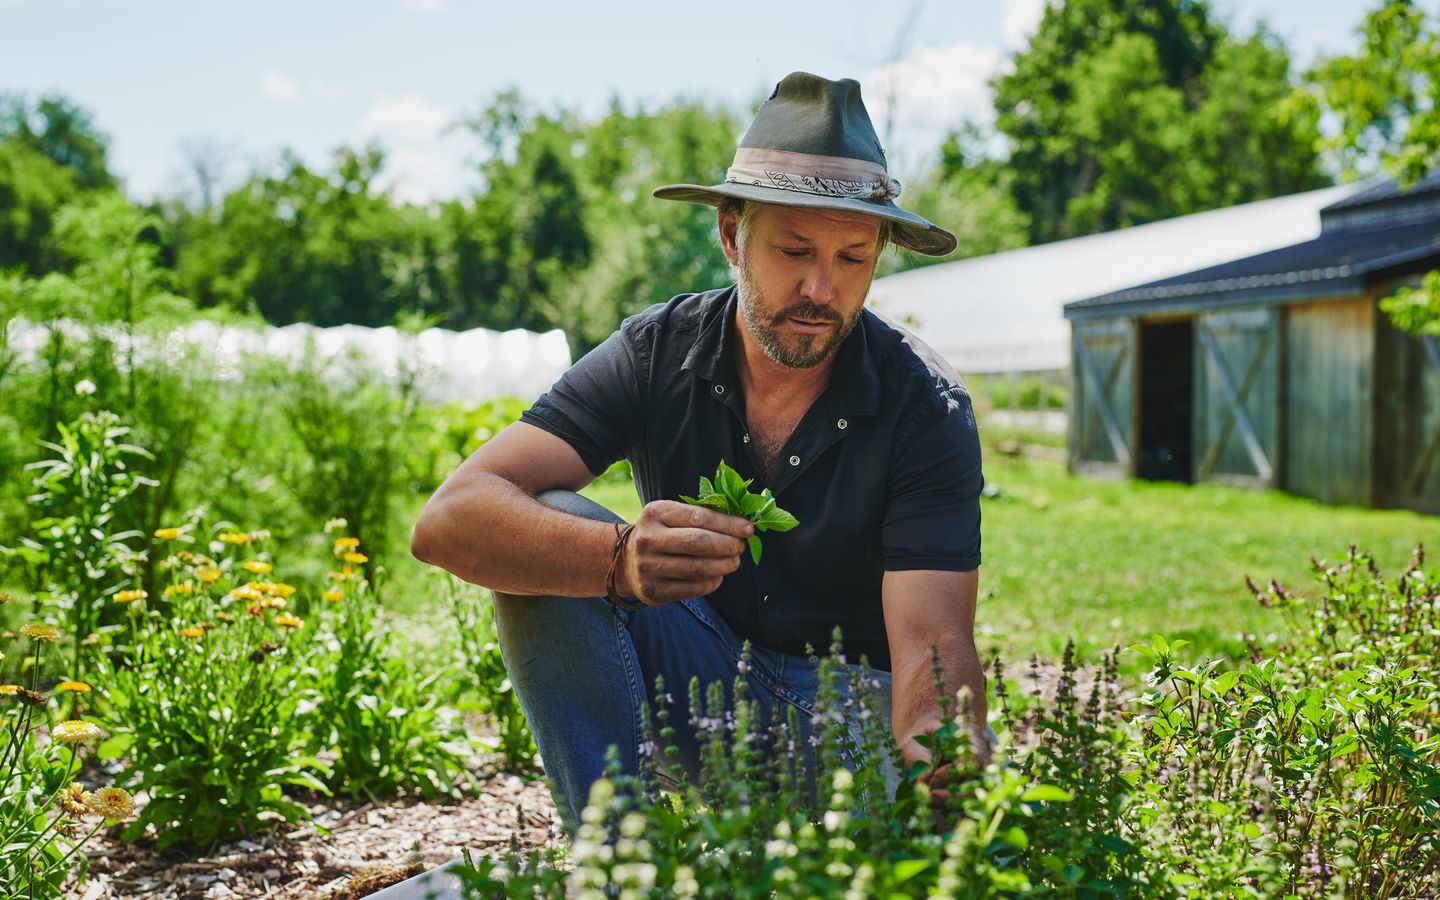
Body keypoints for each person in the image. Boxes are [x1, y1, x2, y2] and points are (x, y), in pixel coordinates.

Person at [411, 71, 989, 833]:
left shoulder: (924, 402)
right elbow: (448, 520)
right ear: (730, 235)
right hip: (700, 700)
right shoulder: (656, 352)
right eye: (792, 250)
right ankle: (617, 861)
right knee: (544, 520)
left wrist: (942, 755)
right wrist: (615, 559)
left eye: (854, 258)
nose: (821, 287)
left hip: (851, 728)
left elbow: (932, 642)